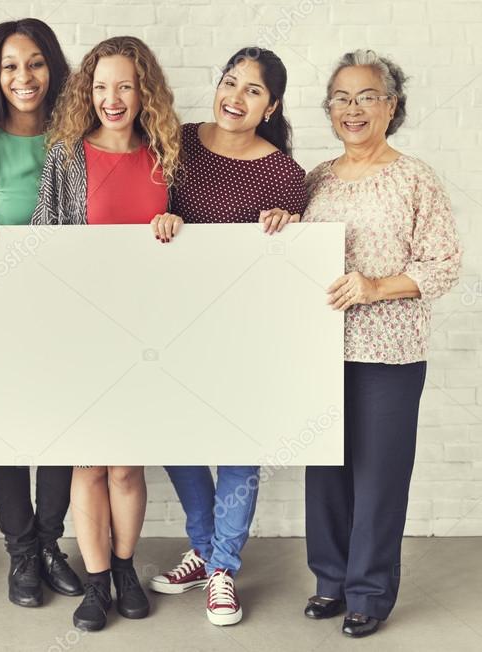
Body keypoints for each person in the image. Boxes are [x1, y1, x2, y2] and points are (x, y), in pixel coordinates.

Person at [302, 49, 461, 638]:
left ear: (391, 105)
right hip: (319, 348)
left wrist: (373, 287)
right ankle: (329, 581)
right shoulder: (315, 179)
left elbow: (443, 264)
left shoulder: (414, 176)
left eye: (366, 96)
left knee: (379, 474)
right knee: (326, 469)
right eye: (341, 98)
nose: (353, 108)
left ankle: (368, 591)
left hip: (390, 350)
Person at [147, 47, 307, 627]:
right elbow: (143, 209)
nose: (235, 98)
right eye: (229, 82)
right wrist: (161, 216)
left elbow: (292, 265)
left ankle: (223, 570)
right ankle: (206, 546)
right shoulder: (178, 142)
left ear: (272, 106)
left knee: (239, 448)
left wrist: (289, 227)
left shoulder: (285, 174)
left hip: (245, 333)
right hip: (173, 325)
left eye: (253, 90)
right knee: (177, 437)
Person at [30, 36, 182, 632]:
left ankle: (124, 568)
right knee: (89, 466)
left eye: (124, 86)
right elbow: (45, 239)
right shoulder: (67, 153)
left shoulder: (167, 153)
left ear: (144, 90)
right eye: (100, 87)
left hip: (147, 333)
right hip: (84, 334)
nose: (111, 99)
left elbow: (193, 242)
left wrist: (177, 221)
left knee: (126, 466)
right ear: (85, 93)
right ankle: (94, 585)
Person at [0, 18, 83, 608]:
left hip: (67, 313)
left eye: (34, 63)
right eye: (10, 65)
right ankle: (21, 553)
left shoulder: (78, 143)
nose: (23, 76)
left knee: (60, 434)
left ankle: (52, 543)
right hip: (4, 317)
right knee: (7, 434)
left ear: (53, 68)